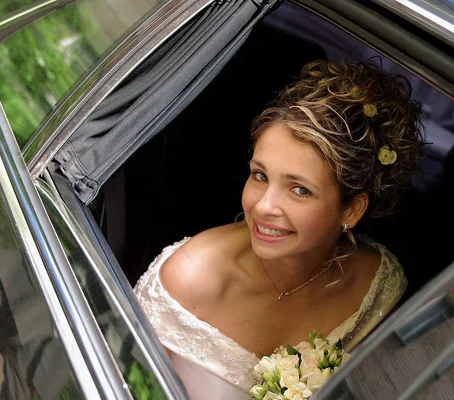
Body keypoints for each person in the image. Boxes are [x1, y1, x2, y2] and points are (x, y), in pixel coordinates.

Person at [134, 59, 425, 398]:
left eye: (299, 189)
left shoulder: (374, 283)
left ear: (352, 209)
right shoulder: (189, 282)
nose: (263, 206)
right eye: (260, 175)